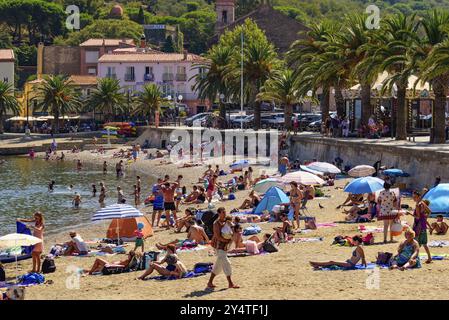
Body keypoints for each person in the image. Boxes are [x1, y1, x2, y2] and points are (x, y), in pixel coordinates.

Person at [207, 207, 239, 289]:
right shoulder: (216, 223)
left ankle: (210, 282)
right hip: (218, 246)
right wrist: (227, 240)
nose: (225, 214)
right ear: (219, 213)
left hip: (224, 246)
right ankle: (230, 283)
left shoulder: (226, 221)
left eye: (225, 212)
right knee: (226, 263)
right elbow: (217, 236)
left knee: (219, 266)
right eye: (223, 213)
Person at [408, 191, 432, 263]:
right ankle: (429, 257)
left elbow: (417, 217)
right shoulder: (422, 203)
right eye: (413, 197)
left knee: (416, 242)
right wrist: (424, 218)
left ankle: (414, 258)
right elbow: (429, 211)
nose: (413, 198)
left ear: (418, 197)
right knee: (424, 243)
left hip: (418, 226)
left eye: (415, 197)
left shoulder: (418, 205)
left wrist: (410, 213)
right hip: (423, 225)